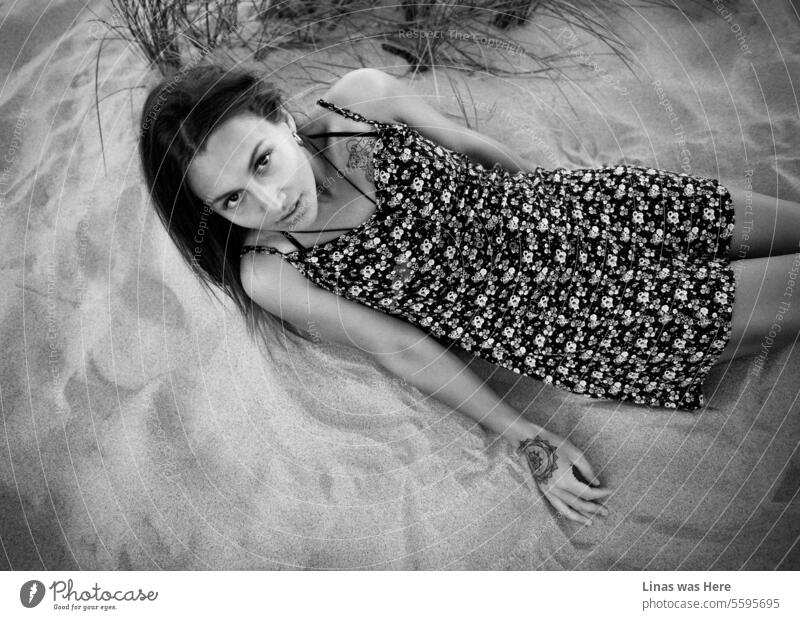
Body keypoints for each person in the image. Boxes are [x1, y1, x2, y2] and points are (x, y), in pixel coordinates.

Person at [138, 63, 800, 527]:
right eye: (232, 200)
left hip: (585, 209)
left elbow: (479, 152)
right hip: (579, 318)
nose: (270, 200)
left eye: (261, 161)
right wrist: (527, 439)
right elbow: (399, 346)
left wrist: (559, 201)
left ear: (280, 119)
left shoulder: (359, 105)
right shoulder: (273, 266)